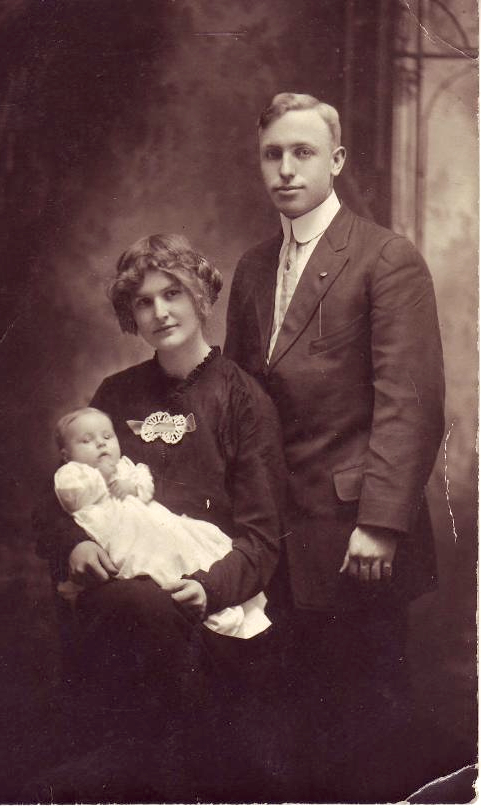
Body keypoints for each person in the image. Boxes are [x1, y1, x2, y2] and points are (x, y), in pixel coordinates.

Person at [224, 92, 445, 800]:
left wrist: (380, 524)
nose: (286, 169)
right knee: (283, 727)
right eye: (273, 155)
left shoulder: (386, 258)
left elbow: (411, 403)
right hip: (274, 536)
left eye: (303, 152)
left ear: (338, 160)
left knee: (366, 730)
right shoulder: (253, 268)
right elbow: (238, 401)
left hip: (355, 537)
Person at [34, 233, 286, 800]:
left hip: (201, 591)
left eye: (173, 294)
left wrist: (207, 588)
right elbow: (57, 495)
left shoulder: (243, 399)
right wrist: (73, 543)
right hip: (120, 589)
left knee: (152, 615)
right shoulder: (116, 394)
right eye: (143, 302)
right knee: (129, 605)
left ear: (200, 297)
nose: (160, 312)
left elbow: (262, 537)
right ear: (132, 315)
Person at [53, 405, 270, 639]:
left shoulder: (125, 465)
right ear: (66, 455)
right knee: (147, 565)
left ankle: (198, 588)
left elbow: (145, 486)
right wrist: (100, 477)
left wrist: (133, 486)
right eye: (87, 441)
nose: (101, 444)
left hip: (150, 520)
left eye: (107, 437)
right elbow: (72, 497)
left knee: (181, 546)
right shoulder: (72, 473)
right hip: (116, 529)